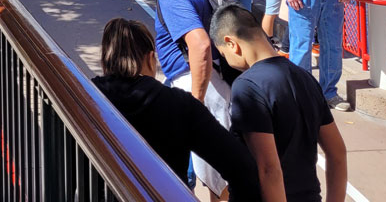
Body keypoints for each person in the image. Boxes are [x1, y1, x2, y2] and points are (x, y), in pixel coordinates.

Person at [92, 18, 261, 201]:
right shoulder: (180, 104)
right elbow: (242, 168)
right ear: (151, 59)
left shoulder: (87, 95)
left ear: (106, 62)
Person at [118, 0, 236, 200]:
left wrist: (195, 102)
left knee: (214, 175)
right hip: (209, 80)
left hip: (198, 84)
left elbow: (200, 45)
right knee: (214, 170)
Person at [211, 5, 348, 202]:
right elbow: (337, 153)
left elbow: (269, 169)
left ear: (231, 43)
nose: (227, 61)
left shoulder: (247, 86)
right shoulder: (305, 78)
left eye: (223, 55)